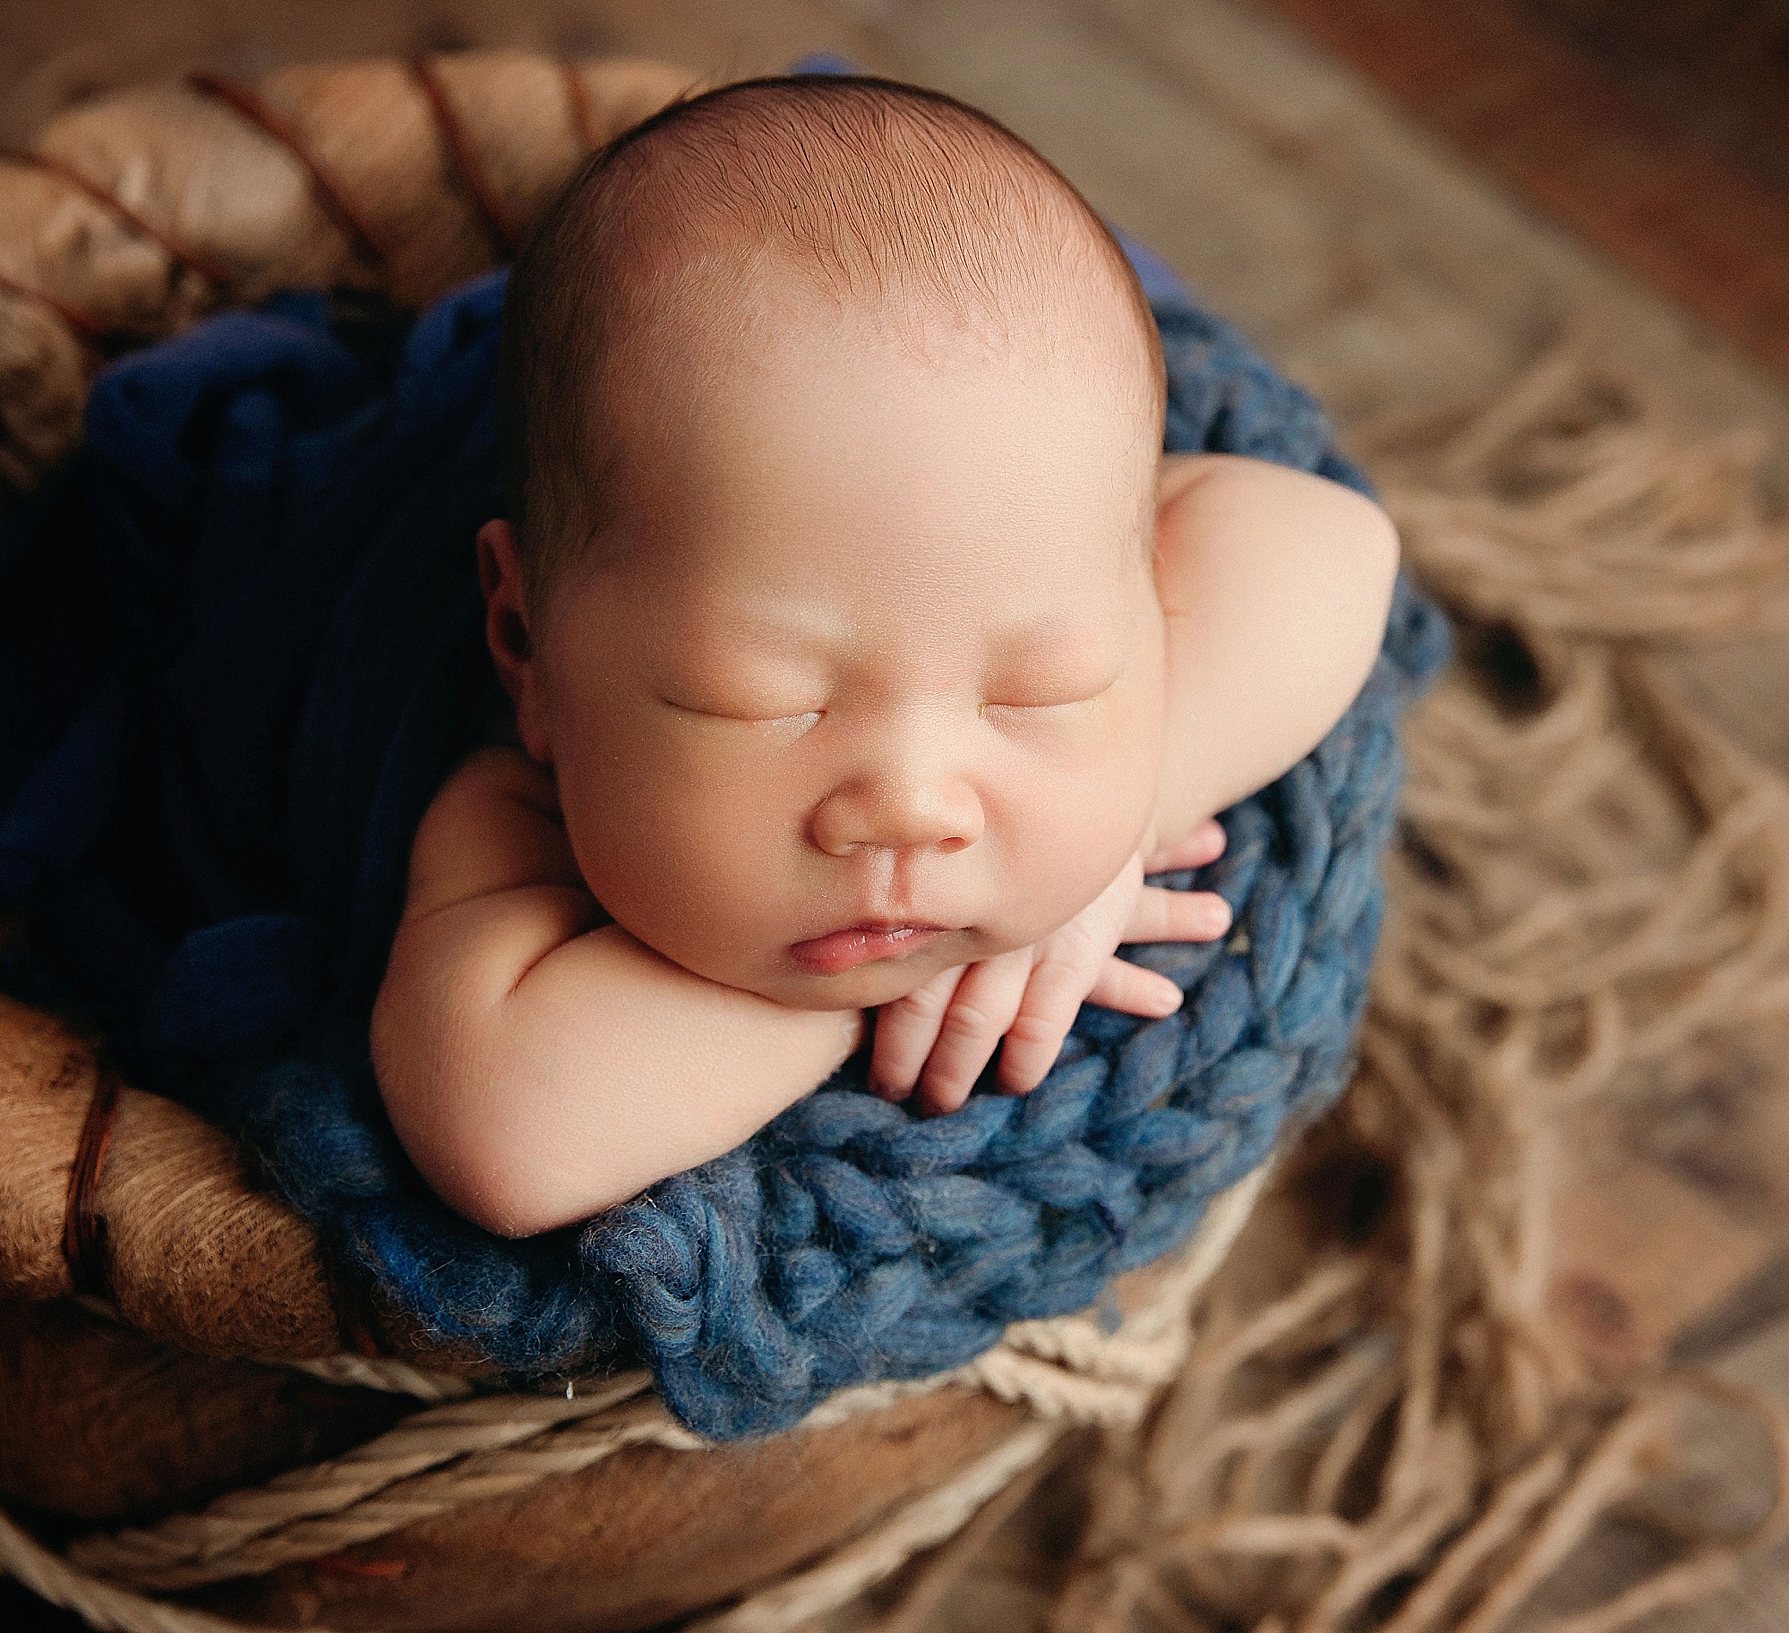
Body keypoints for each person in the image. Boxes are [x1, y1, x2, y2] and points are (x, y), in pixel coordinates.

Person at [369, 75, 1400, 1239]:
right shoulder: (501, 812)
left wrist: (1132, 817)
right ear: (527, 650)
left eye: (1038, 687)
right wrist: (884, 989)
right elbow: (512, 1140)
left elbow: (1336, 546)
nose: (912, 807)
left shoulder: (1017, 497)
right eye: (759, 700)